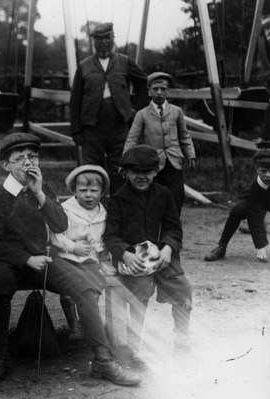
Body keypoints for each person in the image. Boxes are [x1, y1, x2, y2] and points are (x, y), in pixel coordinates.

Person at [0, 133, 140, 386]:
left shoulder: (43, 189)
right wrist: (25, 259)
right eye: (19, 158)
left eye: (32, 157)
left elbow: (60, 223)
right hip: (11, 262)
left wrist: (40, 195)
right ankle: (1, 354)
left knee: (84, 287)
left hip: (45, 260)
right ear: (5, 165)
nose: (27, 163)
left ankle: (102, 360)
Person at [104, 145, 194, 366]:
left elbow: (174, 227)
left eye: (147, 172)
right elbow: (110, 235)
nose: (141, 177)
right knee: (140, 294)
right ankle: (135, 346)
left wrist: (168, 248)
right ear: (125, 173)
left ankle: (181, 337)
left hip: (161, 256)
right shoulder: (118, 199)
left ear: (156, 171)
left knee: (182, 289)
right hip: (133, 260)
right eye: (135, 172)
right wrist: (124, 253)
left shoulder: (163, 194)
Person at [70, 22, 148, 193]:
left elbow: (144, 83)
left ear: (112, 39)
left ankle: (118, 210)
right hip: (92, 128)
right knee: (92, 170)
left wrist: (134, 109)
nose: (103, 42)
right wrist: (76, 130)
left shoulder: (125, 62)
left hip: (119, 126)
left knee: (120, 168)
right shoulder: (84, 66)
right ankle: (93, 211)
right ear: (94, 42)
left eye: (106, 38)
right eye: (98, 39)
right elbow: (75, 100)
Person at [49, 165, 111, 343]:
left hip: (90, 260)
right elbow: (56, 236)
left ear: (102, 192)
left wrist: (100, 250)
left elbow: (103, 238)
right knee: (68, 286)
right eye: (83, 190)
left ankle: (88, 322)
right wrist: (73, 247)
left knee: (95, 282)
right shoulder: (66, 209)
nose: (89, 195)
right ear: (74, 190)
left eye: (94, 191)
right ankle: (73, 324)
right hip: (67, 257)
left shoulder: (102, 213)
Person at [124, 72, 196, 213]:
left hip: (174, 161)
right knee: (153, 198)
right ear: (149, 91)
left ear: (168, 91)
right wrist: (125, 162)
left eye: (163, 89)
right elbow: (132, 139)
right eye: (155, 89)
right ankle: (154, 228)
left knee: (176, 196)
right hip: (152, 164)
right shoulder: (142, 114)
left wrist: (191, 156)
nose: (159, 93)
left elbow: (184, 136)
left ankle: (173, 228)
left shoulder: (176, 111)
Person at [204, 146, 270, 262]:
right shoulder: (254, 188)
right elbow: (254, 216)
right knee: (238, 209)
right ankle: (222, 246)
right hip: (257, 201)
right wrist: (261, 246)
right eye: (263, 171)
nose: (268, 175)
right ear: (256, 169)